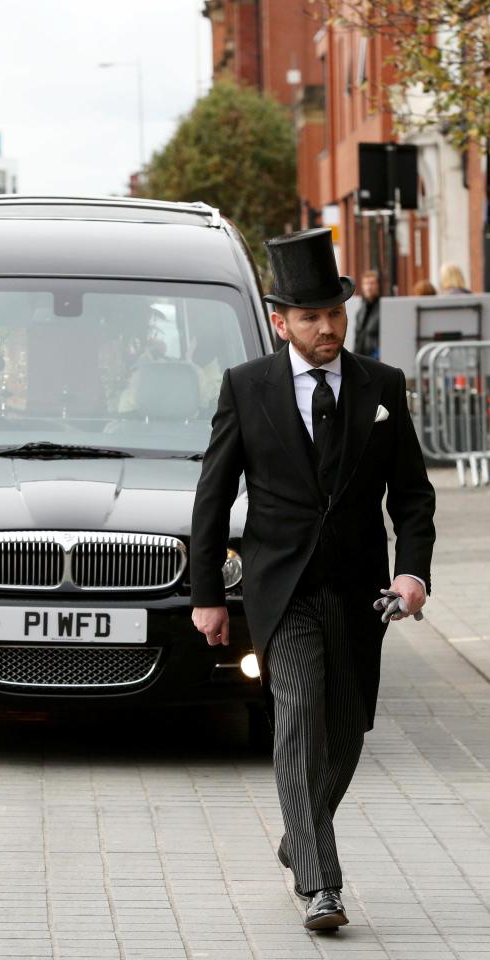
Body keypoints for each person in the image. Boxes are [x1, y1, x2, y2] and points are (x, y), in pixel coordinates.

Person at [189, 228, 435, 932]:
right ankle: (321, 886)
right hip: (282, 587)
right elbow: (213, 496)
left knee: (348, 730)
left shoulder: (381, 387)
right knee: (298, 714)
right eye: (310, 317)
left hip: (362, 590)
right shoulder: (247, 387)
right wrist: (207, 594)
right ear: (279, 321)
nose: (328, 327)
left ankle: (299, 834)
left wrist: (412, 570)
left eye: (335, 312)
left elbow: (413, 497)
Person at [353, 269, 381, 359]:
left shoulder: (383, 308)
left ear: (377, 285)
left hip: (377, 359)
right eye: (366, 283)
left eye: (372, 283)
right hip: (361, 358)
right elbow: (358, 336)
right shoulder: (361, 309)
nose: (369, 287)